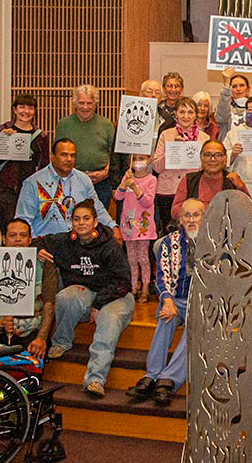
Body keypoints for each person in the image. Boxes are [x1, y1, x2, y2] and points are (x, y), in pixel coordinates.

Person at [38, 199, 134, 398]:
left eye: (86, 219)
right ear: (71, 222)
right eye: (76, 219)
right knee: (65, 296)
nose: (81, 223)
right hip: (87, 292)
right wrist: (39, 249)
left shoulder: (109, 246)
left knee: (108, 320)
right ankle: (62, 341)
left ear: (95, 222)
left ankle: (95, 379)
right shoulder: (64, 242)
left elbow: (123, 281)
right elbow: (38, 239)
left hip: (117, 294)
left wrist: (99, 304)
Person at [126, 199, 204, 406]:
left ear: (204, 218)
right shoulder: (169, 242)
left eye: (196, 215)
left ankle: (169, 378)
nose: (191, 219)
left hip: (203, 302)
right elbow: (162, 277)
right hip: (176, 299)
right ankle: (152, 375)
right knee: (165, 315)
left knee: (196, 326)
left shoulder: (214, 243)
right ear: (180, 219)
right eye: (187, 215)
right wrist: (167, 300)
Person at [0, 218, 58, 359]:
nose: (18, 239)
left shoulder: (44, 266)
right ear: (4, 239)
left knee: (27, 369)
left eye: (23, 235)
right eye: (12, 236)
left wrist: (41, 338)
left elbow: (49, 305)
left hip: (33, 332)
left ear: (30, 239)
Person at [15, 138, 118, 239]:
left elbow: (97, 209)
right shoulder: (33, 183)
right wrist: (36, 246)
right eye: (64, 155)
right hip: (46, 247)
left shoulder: (83, 180)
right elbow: (23, 221)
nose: (69, 159)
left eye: (72, 155)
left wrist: (112, 227)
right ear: (52, 156)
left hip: (77, 245)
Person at [0, 93, 49, 234]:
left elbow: (45, 166)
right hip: (5, 191)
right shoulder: (3, 130)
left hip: (29, 192)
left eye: (30, 108)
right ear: (14, 109)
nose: (26, 111)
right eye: (21, 107)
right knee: (8, 233)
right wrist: (2, 140)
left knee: (27, 233)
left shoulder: (41, 135)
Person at [54, 84, 117, 211]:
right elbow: (57, 156)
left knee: (98, 219)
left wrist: (105, 172)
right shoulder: (63, 124)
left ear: (95, 104)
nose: (85, 107)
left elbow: (115, 155)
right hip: (71, 181)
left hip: (101, 183)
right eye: (81, 103)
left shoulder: (106, 124)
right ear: (75, 104)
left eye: (89, 103)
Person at [151, 96, 211, 231]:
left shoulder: (204, 138)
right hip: (167, 191)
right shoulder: (166, 134)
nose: (186, 116)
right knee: (169, 230)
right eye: (182, 112)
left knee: (194, 230)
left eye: (190, 112)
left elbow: (206, 168)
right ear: (176, 114)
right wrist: (173, 150)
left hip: (193, 190)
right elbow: (156, 167)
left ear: (196, 115)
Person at [113, 154, 157, 303]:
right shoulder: (127, 177)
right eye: (136, 159)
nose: (138, 162)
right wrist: (125, 184)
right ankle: (133, 288)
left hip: (143, 225)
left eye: (142, 158)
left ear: (148, 160)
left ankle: (145, 287)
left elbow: (147, 201)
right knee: (131, 259)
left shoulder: (151, 179)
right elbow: (118, 197)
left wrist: (135, 187)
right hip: (128, 225)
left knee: (143, 258)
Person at [171, 140, 249, 220]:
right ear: (201, 158)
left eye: (218, 155)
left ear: (225, 159)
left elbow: (247, 210)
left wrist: (241, 187)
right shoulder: (189, 180)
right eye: (208, 155)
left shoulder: (233, 181)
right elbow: (175, 211)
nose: (212, 159)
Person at [215, 68, 252, 141]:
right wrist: (226, 85)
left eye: (242, 85)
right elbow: (221, 119)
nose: (238, 89)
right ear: (230, 89)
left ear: (248, 89)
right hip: (230, 149)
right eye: (234, 86)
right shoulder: (225, 107)